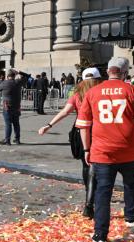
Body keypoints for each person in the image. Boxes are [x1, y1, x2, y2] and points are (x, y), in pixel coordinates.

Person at [75, 57, 134, 242]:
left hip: (102, 151)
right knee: (131, 182)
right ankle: (131, 214)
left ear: (108, 71)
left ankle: (100, 234)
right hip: (130, 149)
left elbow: (83, 126)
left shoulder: (92, 93)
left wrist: (87, 149)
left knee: (103, 191)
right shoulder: (133, 91)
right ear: (124, 73)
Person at [38, 67, 103, 218]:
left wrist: (49, 125)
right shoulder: (102, 92)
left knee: (86, 165)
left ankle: (89, 200)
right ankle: (95, 199)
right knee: (102, 165)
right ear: (99, 79)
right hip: (101, 129)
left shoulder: (77, 93)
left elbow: (65, 111)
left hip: (80, 130)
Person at [0, 70, 22, 145]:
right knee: (16, 124)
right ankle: (17, 139)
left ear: (7, 76)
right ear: (14, 76)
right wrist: (18, 73)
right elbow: (25, 77)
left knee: (8, 124)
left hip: (7, 106)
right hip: (17, 106)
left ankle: (7, 140)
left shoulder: (5, 83)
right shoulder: (18, 82)